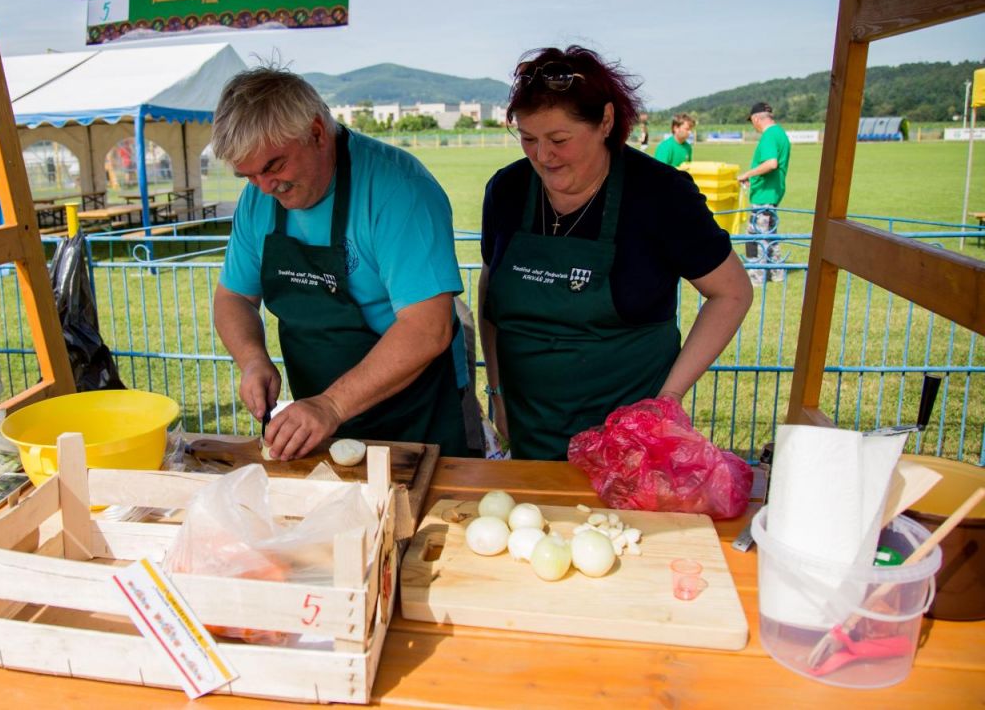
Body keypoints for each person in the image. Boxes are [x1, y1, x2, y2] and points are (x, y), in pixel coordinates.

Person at [478, 47, 753, 460]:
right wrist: (497, 391)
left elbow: (732, 292)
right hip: (528, 428)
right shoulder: (507, 190)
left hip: (631, 440)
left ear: (605, 121)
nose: (542, 156)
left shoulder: (659, 194)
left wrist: (669, 398)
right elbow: (490, 288)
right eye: (528, 138)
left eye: (559, 140)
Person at [211, 66, 470, 460]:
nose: (264, 188)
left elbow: (426, 328)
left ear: (317, 133)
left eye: (273, 166)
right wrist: (252, 360)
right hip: (318, 416)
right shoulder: (257, 199)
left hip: (416, 410)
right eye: (248, 176)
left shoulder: (398, 190)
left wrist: (332, 405)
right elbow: (233, 297)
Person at [737, 102, 792, 285]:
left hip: (764, 195)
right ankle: (777, 274)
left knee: (756, 237)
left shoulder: (769, 135)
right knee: (770, 235)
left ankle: (756, 277)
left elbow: (771, 163)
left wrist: (748, 174)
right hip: (773, 193)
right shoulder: (780, 133)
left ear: (756, 119)